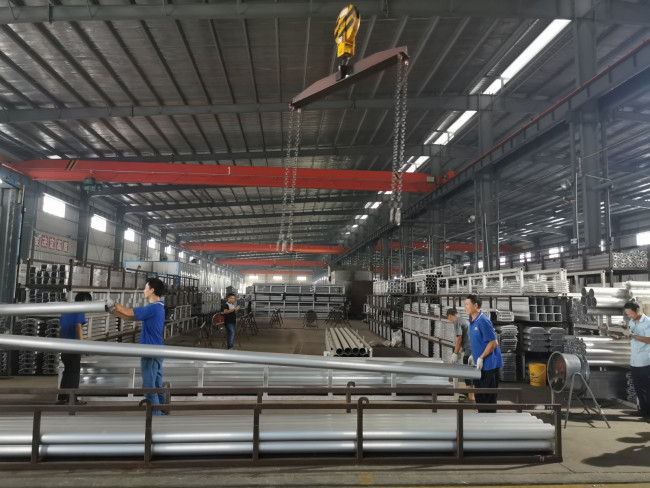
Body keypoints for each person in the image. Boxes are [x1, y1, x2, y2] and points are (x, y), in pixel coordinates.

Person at [112, 278, 166, 415]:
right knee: (157, 385)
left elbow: (129, 312)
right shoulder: (158, 307)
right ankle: (163, 412)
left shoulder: (153, 307)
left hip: (150, 351)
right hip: (157, 350)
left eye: (145, 287)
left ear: (152, 290)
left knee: (149, 387)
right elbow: (128, 317)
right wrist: (112, 311)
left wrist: (114, 304)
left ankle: (156, 417)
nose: (143, 290)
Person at [465, 294, 503, 411]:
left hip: (489, 366)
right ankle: (482, 419)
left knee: (488, 399)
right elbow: (479, 341)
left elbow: (493, 342)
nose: (465, 307)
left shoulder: (483, 321)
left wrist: (481, 357)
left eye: (467, 304)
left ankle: (489, 420)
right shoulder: (472, 322)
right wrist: (473, 355)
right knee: (480, 397)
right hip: (479, 367)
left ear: (475, 306)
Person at [57, 291, 92, 405]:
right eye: (88, 302)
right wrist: (82, 344)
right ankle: (72, 399)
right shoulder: (79, 310)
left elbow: (60, 330)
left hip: (64, 347)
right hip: (74, 347)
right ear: (85, 301)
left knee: (67, 372)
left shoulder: (66, 311)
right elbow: (78, 326)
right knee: (74, 373)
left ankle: (62, 398)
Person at [622, 301, 650, 418]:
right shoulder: (631, 322)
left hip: (645, 361)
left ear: (638, 310)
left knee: (647, 388)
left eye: (631, 313)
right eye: (627, 314)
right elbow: (631, 336)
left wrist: (632, 335)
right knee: (638, 388)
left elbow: (649, 339)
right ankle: (643, 410)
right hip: (635, 360)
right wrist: (623, 335)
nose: (629, 316)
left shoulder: (648, 322)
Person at [446, 308, 474, 402]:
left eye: (448, 319)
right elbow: (467, 336)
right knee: (471, 373)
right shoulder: (464, 320)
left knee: (467, 373)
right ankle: (472, 394)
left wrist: (455, 353)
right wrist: (460, 350)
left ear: (450, 316)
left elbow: (459, 338)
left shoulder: (457, 322)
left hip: (468, 351)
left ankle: (471, 397)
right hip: (472, 349)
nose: (449, 321)